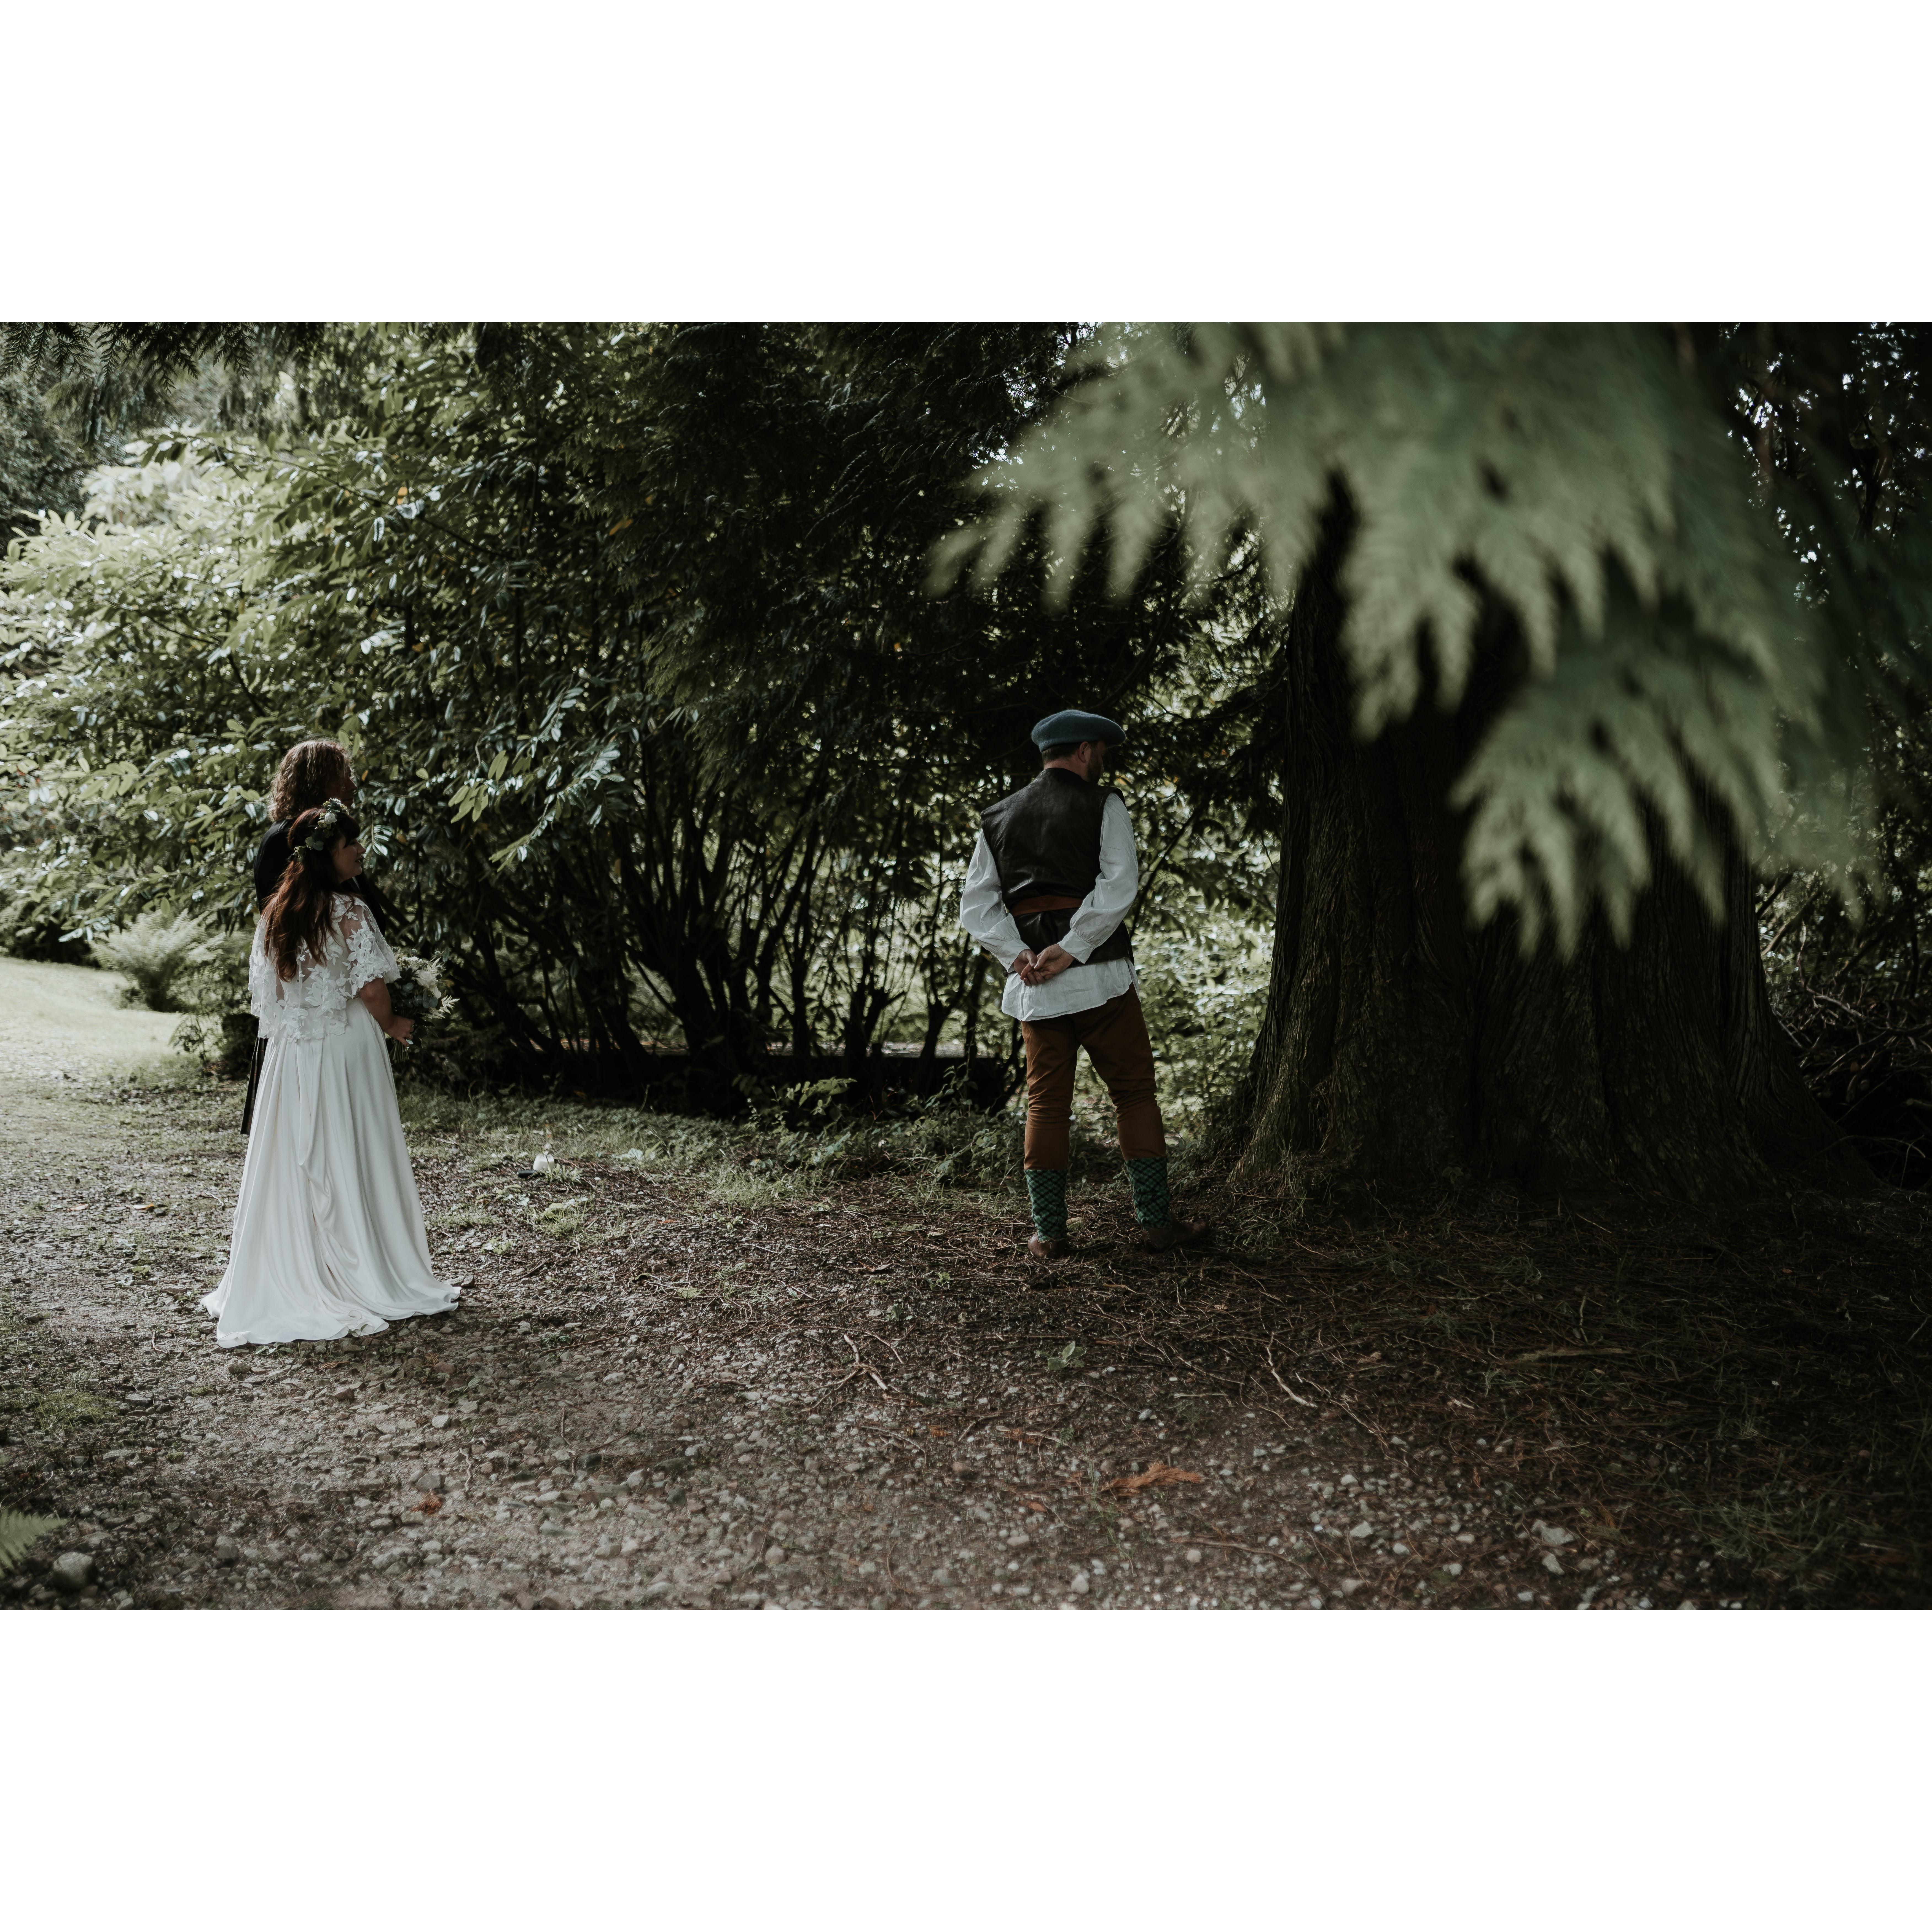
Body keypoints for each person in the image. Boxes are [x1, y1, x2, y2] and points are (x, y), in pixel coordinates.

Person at [203, 799, 459, 1346]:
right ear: (328, 856)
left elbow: (268, 1001)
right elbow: (370, 989)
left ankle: (297, 1261)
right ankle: (363, 1264)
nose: (360, 851)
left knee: (294, 1156)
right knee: (352, 1147)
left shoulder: (275, 914)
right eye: (351, 845)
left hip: (292, 1056)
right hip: (345, 1050)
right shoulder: (349, 912)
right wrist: (394, 1024)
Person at [960, 709, 1207, 1259]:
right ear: (1087, 751)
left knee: (1046, 1105)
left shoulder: (998, 816)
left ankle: (1049, 1235)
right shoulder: (1104, 803)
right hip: (1099, 977)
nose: (1103, 762)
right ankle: (1158, 1225)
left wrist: (1020, 953)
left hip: (1036, 981)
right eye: (1102, 753)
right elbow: (1119, 884)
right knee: (1134, 1093)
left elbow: (975, 905)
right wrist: (1071, 949)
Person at [241, 738, 395, 1134]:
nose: (353, 784)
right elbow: (288, 931)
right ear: (318, 779)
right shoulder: (286, 842)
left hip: (342, 1011)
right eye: (343, 774)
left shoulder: (336, 842)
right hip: (313, 1017)